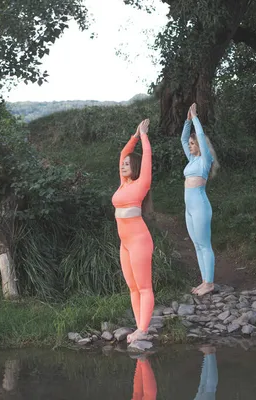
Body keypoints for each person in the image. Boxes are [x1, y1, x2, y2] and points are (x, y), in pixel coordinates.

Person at [112, 118, 155, 344]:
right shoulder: (123, 184)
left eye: (128, 164)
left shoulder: (141, 183)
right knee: (132, 287)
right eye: (123, 164)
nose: (123, 165)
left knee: (144, 286)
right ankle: (139, 326)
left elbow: (146, 158)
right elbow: (123, 153)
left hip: (139, 241)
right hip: (125, 243)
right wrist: (134, 136)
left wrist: (145, 136)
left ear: (135, 167)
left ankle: (143, 329)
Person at [181, 103, 220, 296]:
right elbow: (182, 139)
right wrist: (187, 121)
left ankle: (210, 283)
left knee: (205, 244)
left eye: (193, 143)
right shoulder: (192, 160)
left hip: (200, 207)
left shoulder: (205, 160)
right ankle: (204, 281)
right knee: (196, 245)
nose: (190, 146)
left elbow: (201, 137)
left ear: (200, 145)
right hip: (189, 207)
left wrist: (195, 117)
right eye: (190, 144)